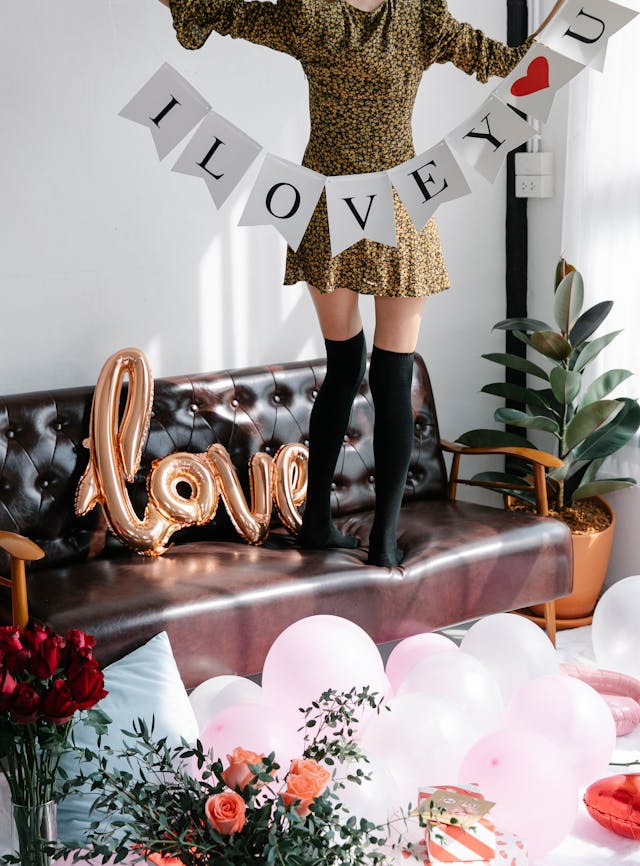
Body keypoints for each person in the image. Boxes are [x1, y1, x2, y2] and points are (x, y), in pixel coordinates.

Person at [158, 0, 561, 566]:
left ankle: (379, 536)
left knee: (383, 373)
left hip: (369, 203)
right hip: (350, 207)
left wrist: (549, 38)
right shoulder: (334, 13)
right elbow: (219, 15)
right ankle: (333, 527)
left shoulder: (397, 14)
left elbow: (508, 62)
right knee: (357, 368)